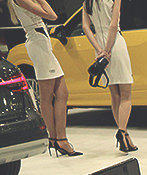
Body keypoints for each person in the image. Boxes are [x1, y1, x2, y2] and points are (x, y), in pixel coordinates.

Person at [10, 0, 80, 156]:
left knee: (62, 93)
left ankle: (58, 139)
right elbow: (52, 15)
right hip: (38, 42)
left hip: (42, 41)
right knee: (47, 96)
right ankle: (57, 139)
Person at [82, 0, 135, 152]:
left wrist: (100, 51)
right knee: (126, 95)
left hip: (99, 45)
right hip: (115, 44)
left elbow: (86, 28)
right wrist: (107, 50)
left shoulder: (87, 2)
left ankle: (125, 136)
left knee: (115, 95)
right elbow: (113, 25)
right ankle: (122, 132)